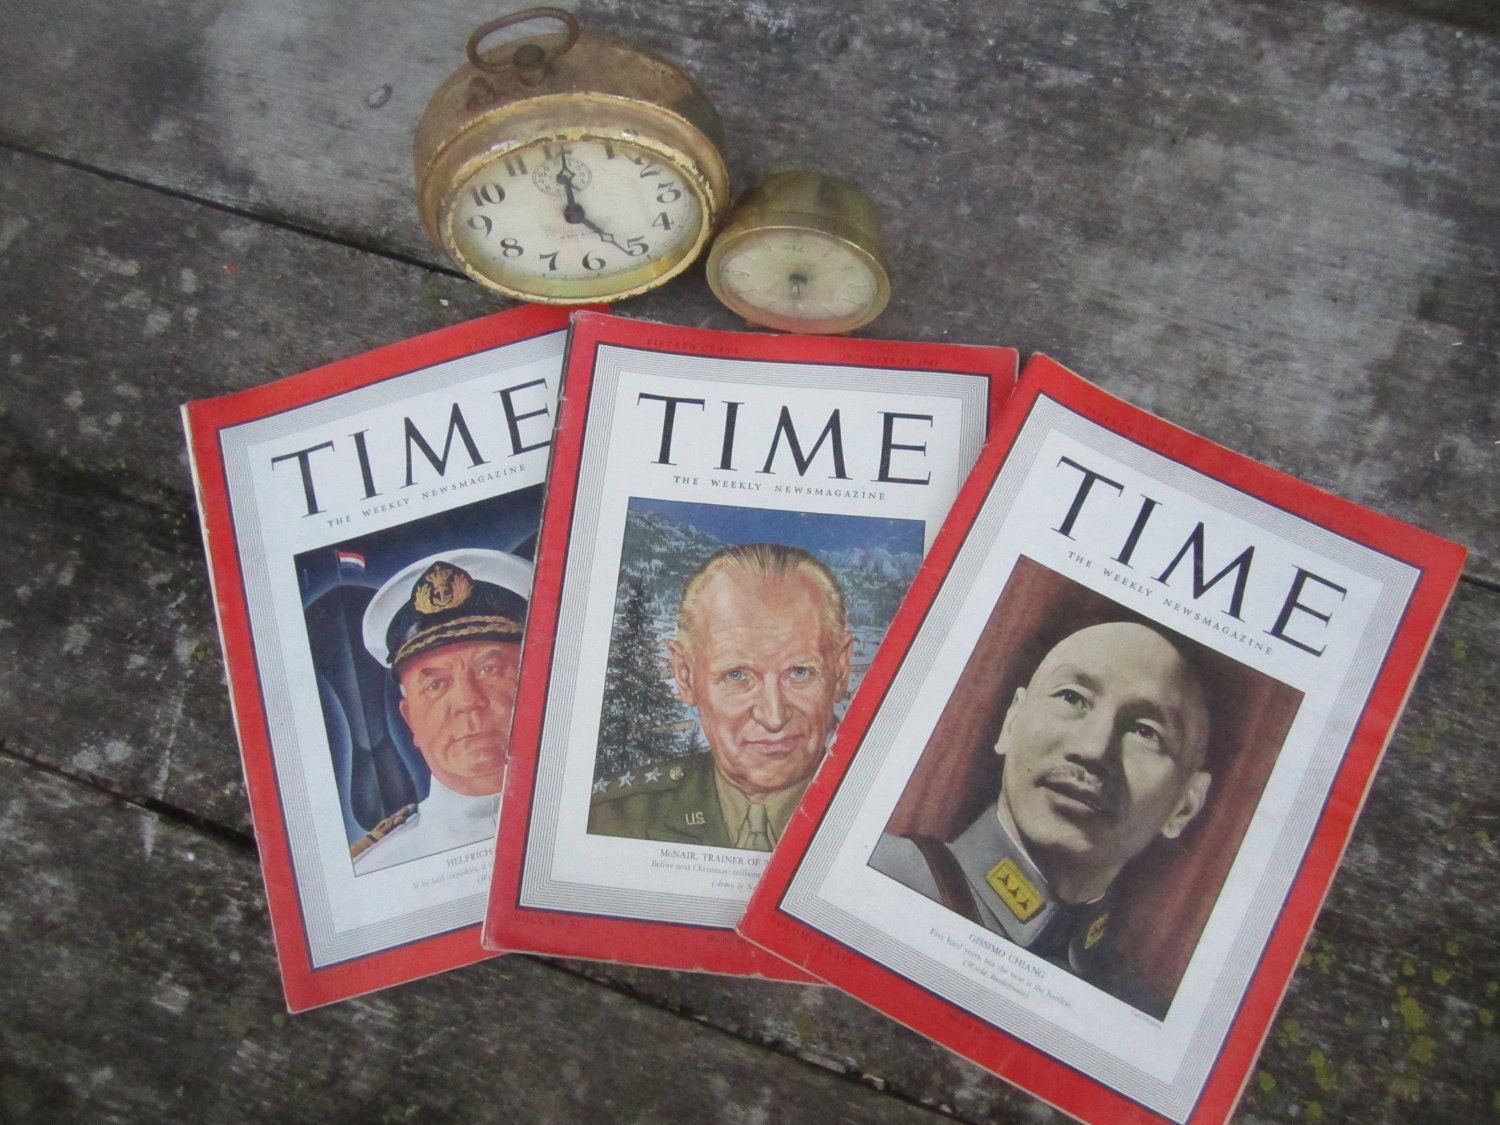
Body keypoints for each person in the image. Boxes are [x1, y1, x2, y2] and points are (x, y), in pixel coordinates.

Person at [870, 620, 1214, 1017]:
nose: (1093, 748)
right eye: (1072, 698)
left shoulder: (1140, 1013)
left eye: (1144, 731)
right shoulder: (878, 874)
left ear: (1185, 806)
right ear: (1011, 723)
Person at [589, 543, 853, 852]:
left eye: (799, 673)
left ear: (840, 670)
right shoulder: (609, 823)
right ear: (685, 676)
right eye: (737, 676)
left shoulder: (888, 829)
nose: (773, 716)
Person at [350, 549, 531, 874]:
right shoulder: (380, 870)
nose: (467, 700)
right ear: (409, 720)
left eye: (489, 669)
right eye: (436, 685)